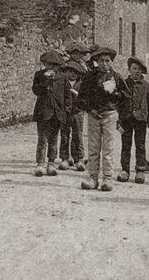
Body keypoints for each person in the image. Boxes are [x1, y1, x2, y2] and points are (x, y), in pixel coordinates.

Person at [77, 46, 125, 191]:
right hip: (94, 115)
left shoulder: (116, 77)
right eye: (101, 60)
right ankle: (93, 178)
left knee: (108, 147)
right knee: (93, 147)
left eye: (107, 60)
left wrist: (115, 93)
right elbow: (81, 97)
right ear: (96, 61)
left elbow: (125, 96)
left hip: (110, 114)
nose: (104, 63)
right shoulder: (90, 77)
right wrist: (90, 109)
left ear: (111, 62)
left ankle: (108, 178)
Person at [31, 50, 71, 177]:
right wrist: (45, 81)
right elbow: (36, 90)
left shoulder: (63, 77)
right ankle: (40, 164)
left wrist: (67, 110)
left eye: (53, 65)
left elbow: (67, 95)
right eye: (47, 64)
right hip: (43, 112)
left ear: (57, 66)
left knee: (54, 140)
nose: (50, 67)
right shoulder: (39, 75)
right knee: (42, 139)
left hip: (57, 113)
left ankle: (51, 163)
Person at [118, 56, 149, 184]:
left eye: (139, 69)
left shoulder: (146, 85)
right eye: (134, 68)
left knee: (140, 145)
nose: (137, 71)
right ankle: (125, 170)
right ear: (129, 70)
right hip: (126, 120)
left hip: (140, 120)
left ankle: (140, 170)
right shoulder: (123, 84)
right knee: (125, 145)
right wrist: (118, 121)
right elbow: (119, 103)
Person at [58, 42, 91, 170]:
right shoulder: (64, 74)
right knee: (65, 134)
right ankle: (65, 157)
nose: (77, 56)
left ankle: (79, 158)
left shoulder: (83, 77)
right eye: (74, 53)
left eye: (79, 53)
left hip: (77, 111)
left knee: (78, 134)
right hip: (65, 111)